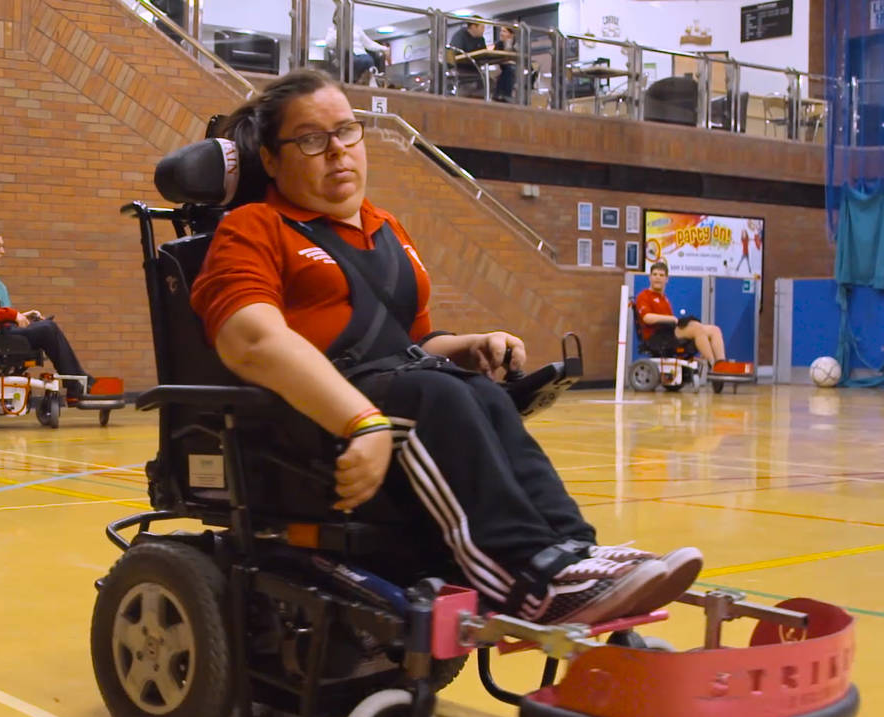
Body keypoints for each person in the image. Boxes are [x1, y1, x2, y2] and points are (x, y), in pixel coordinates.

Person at [189, 70, 701, 626]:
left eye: (347, 132)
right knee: (438, 394)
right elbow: (250, 339)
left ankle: (573, 554)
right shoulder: (253, 227)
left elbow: (412, 341)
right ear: (270, 158)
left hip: (396, 392)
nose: (337, 151)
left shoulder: (387, 229)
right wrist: (360, 421)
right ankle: (527, 581)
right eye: (312, 140)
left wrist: (469, 346)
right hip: (314, 415)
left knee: (480, 391)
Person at [0, 225, 93, 398]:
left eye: (2, 246)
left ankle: (77, 383)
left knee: (45, 325)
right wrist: (12, 315)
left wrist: (21, 316)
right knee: (48, 329)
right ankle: (77, 385)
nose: (2, 251)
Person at [635, 261, 727, 366]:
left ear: (666, 279)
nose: (657, 278)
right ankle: (712, 364)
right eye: (654, 274)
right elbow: (647, 318)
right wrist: (671, 319)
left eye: (661, 275)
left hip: (669, 331)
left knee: (714, 330)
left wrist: (674, 321)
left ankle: (721, 365)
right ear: (650, 277)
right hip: (656, 337)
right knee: (695, 327)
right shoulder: (644, 296)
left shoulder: (664, 299)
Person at [326, 11, 387, 84]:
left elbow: (368, 43)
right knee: (354, 61)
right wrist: (338, 30)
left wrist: (384, 48)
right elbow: (329, 43)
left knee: (367, 60)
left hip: (360, 53)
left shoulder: (356, 28)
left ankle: (370, 79)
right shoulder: (332, 30)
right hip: (346, 54)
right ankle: (355, 81)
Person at [448, 20, 489, 98]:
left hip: (476, 70)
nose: (484, 30)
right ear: (473, 27)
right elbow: (456, 54)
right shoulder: (459, 36)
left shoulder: (481, 39)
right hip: (461, 70)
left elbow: (484, 53)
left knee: (489, 81)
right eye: (482, 27)